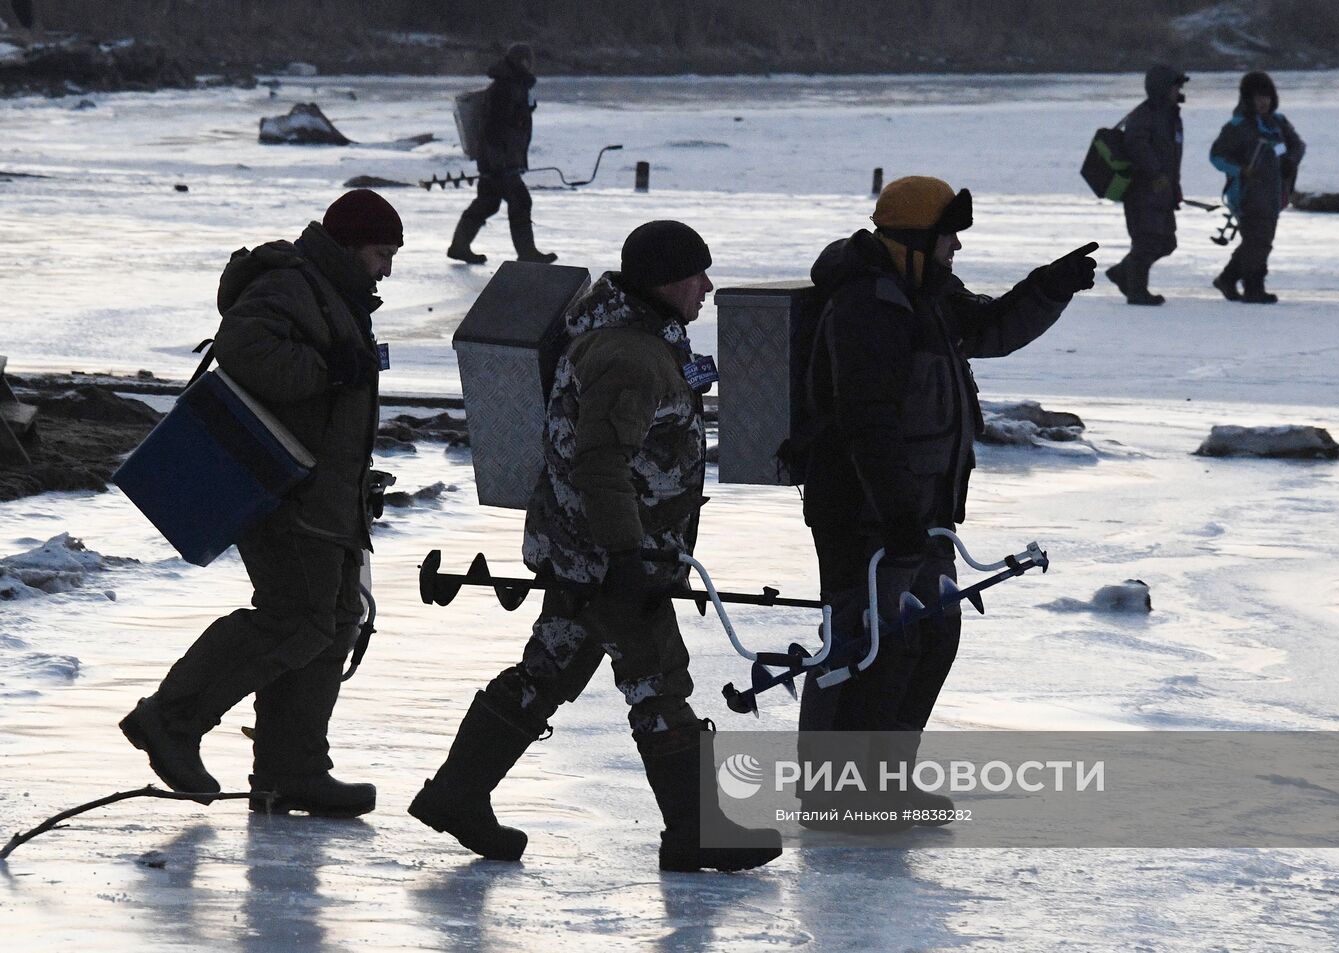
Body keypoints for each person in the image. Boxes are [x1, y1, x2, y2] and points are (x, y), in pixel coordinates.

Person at [410, 221, 781, 873]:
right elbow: (602, 463)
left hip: (585, 549)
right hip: (607, 556)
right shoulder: (630, 356)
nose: (708, 287)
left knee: (552, 664)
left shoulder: (634, 341)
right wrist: (627, 558)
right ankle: (696, 829)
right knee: (656, 677)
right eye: (698, 275)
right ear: (667, 282)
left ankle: (457, 792)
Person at [796, 176, 1096, 824]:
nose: (956, 245)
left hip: (921, 510)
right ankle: (833, 793)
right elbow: (866, 420)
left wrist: (1051, 284)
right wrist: (898, 514)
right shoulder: (866, 307)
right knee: (870, 643)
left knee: (932, 632)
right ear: (912, 239)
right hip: (864, 511)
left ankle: (886, 779)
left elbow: (991, 326)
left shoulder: (928, 295)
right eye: (947, 235)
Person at [119, 189, 400, 817]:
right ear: (349, 247)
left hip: (326, 496)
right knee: (295, 617)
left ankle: (290, 770)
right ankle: (170, 720)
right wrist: (331, 366)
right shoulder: (288, 286)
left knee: (334, 617)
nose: (386, 270)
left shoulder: (336, 295)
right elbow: (248, 353)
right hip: (282, 491)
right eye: (381, 254)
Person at [447, 42, 556, 266]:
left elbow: (511, 121)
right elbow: (494, 127)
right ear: (522, 61)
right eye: (528, 60)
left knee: (487, 203)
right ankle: (527, 253)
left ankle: (459, 246)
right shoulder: (506, 88)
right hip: (501, 162)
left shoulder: (512, 86)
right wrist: (500, 162)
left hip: (498, 160)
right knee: (520, 201)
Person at [1210, 71, 1305, 304]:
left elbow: (1298, 145)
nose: (1263, 102)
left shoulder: (1279, 122)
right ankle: (1253, 287)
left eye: (1267, 97)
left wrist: (1291, 160)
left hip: (1275, 195)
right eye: (1258, 97)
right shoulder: (1237, 126)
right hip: (1247, 195)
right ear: (1247, 99)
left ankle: (1228, 278)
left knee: (1259, 241)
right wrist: (1241, 170)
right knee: (1258, 241)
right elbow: (1216, 156)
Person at [1105, 64, 1188, 306]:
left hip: (1162, 189)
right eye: (1175, 86)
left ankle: (1123, 273)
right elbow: (1136, 146)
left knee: (1166, 242)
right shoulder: (1145, 115)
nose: (1178, 91)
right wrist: (1157, 174)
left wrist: (1173, 184)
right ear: (1162, 88)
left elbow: (1170, 155)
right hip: (1142, 190)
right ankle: (1137, 291)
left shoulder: (1170, 115)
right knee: (1146, 241)